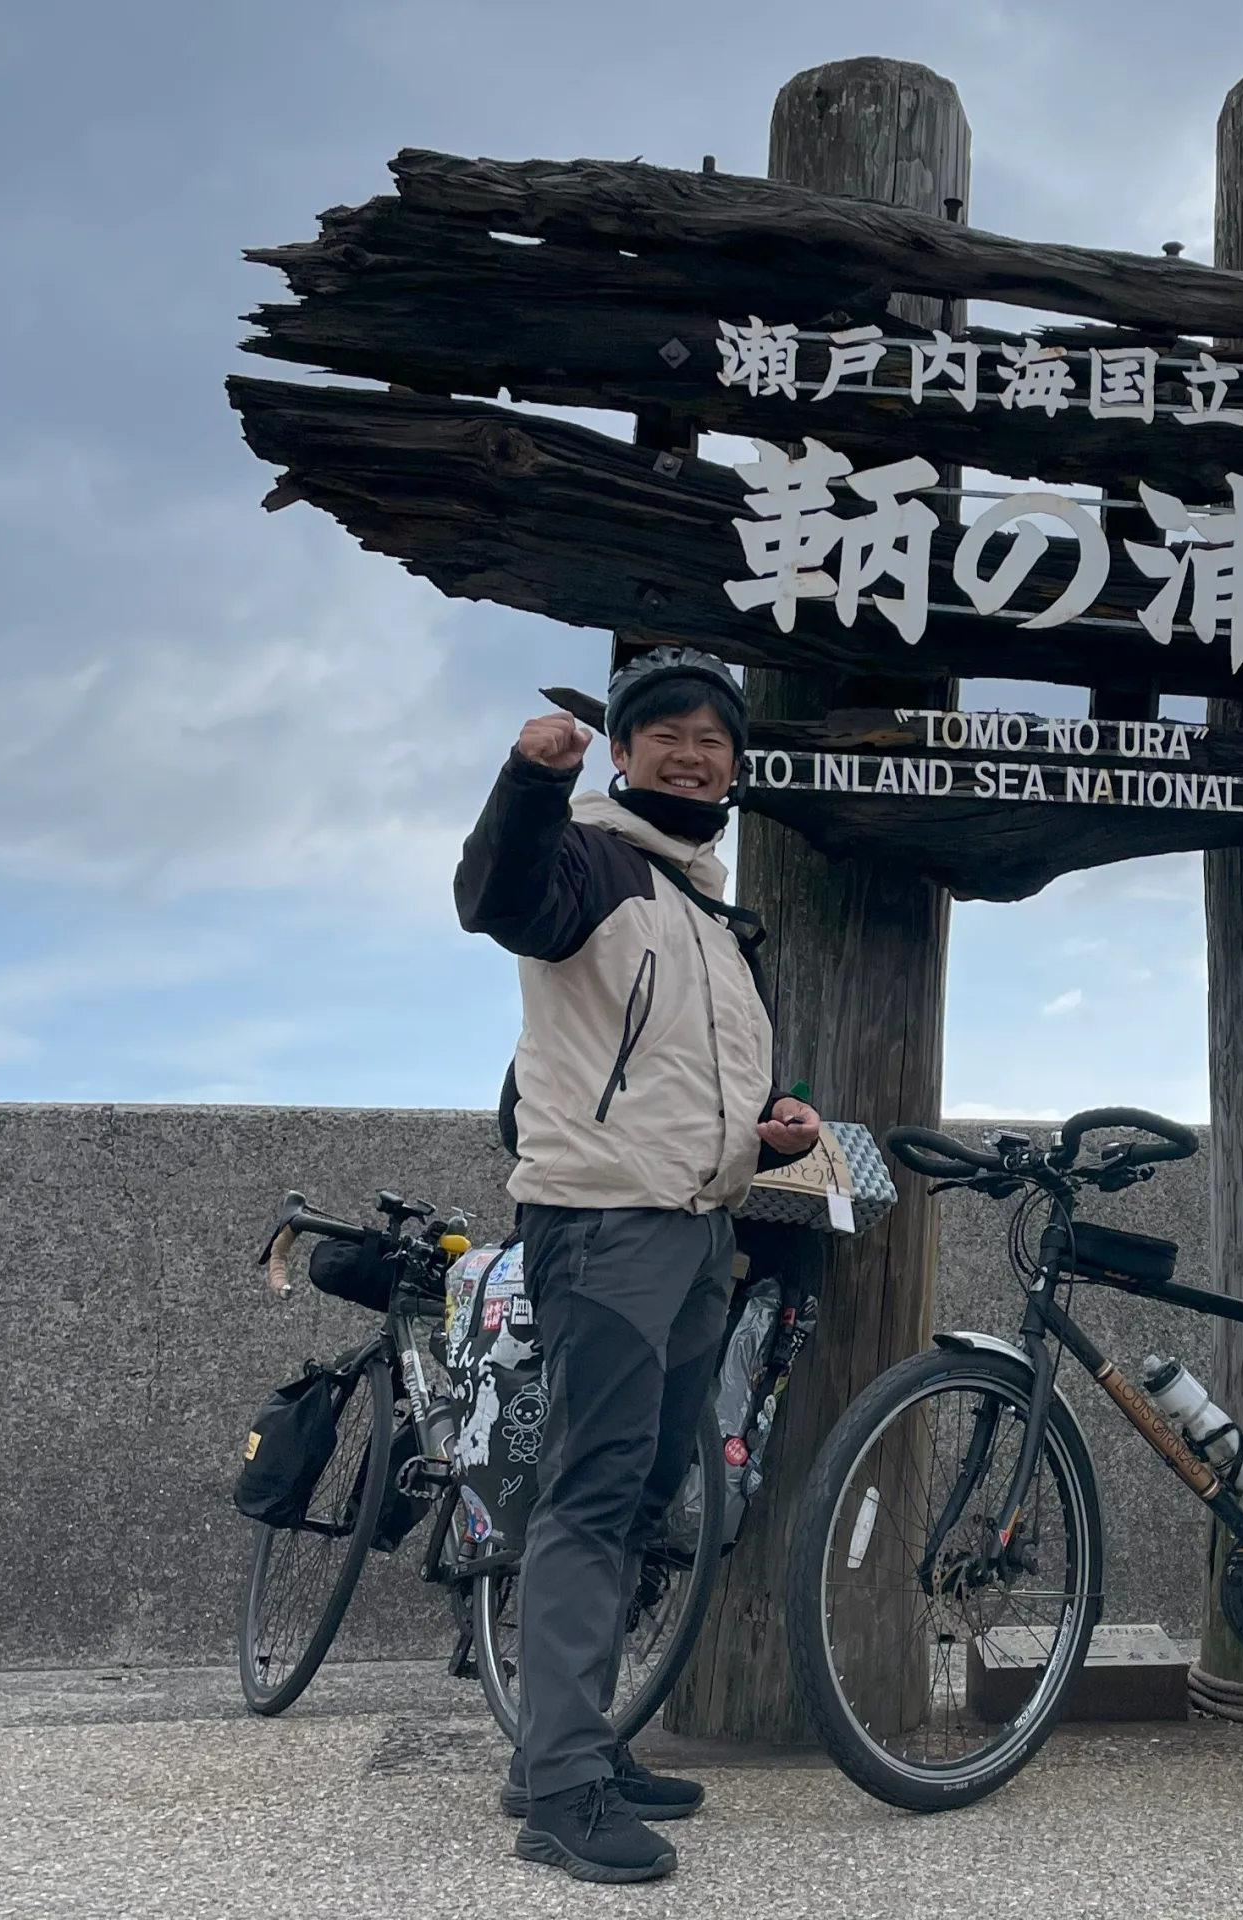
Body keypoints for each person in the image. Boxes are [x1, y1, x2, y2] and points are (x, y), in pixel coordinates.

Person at [455, 646, 820, 1885]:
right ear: (618, 750)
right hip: (605, 1223)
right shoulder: (591, 859)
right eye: (659, 729)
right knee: (596, 1488)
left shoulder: (706, 904)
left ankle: (573, 1747)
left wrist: (770, 1123)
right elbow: (498, 899)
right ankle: (559, 1789)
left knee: (652, 1476)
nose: (689, 748)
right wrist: (524, 781)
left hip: (693, 1225)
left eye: (711, 734)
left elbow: (693, 1068)